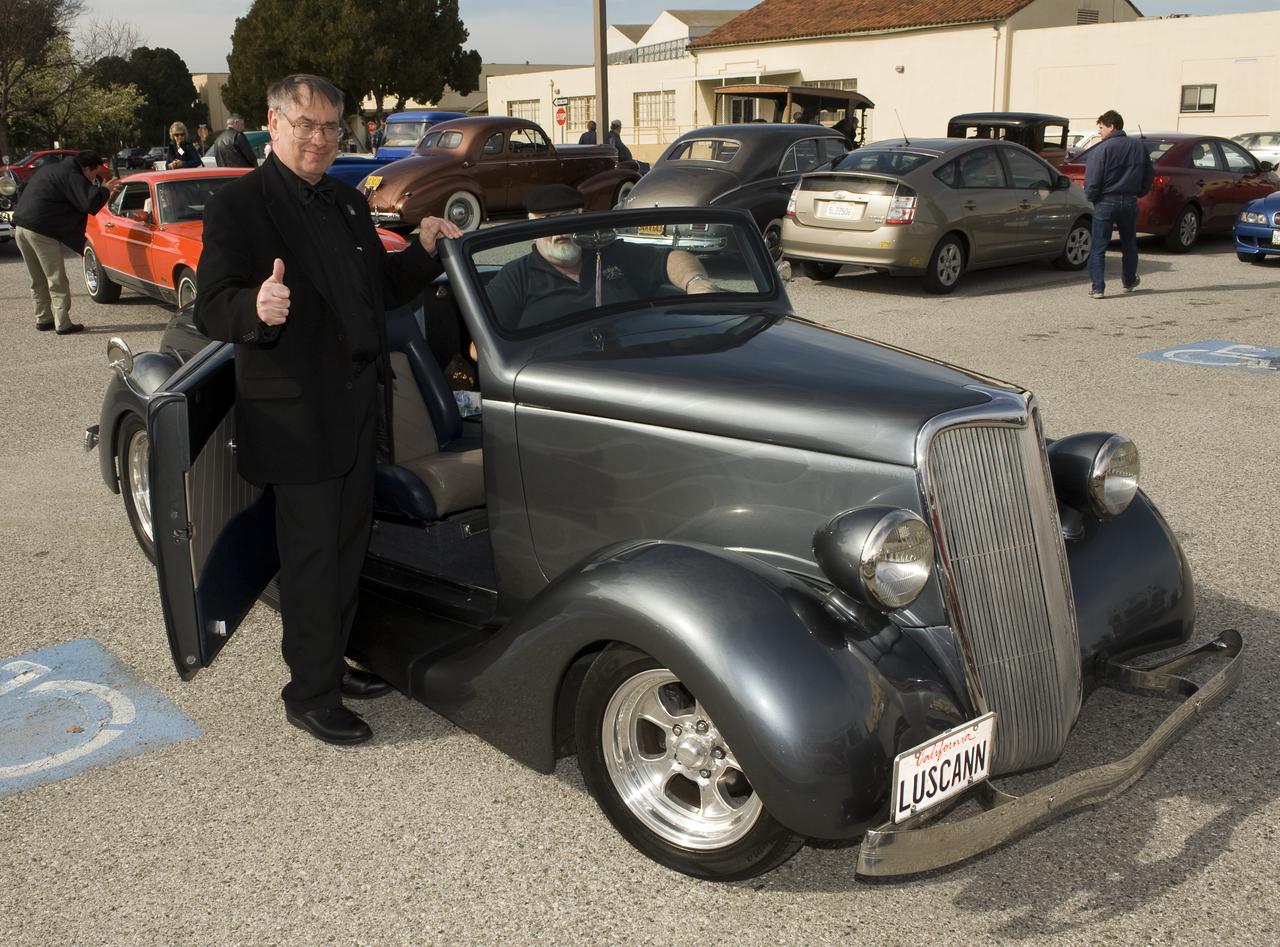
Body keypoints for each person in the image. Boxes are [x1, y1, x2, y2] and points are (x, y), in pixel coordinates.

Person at [194, 74, 463, 746]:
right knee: (313, 559)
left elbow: (382, 290)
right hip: (296, 416)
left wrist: (426, 252)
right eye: (306, 125)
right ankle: (309, 692)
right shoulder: (240, 205)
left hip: (357, 408)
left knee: (348, 550)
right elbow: (211, 305)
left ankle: (331, 661)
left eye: (330, 128)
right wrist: (255, 308)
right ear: (272, 122)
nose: (319, 139)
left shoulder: (346, 202)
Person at [485, 184, 717, 330]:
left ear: (581, 219)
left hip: (630, 366)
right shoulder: (516, 277)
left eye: (567, 218)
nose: (559, 231)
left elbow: (672, 258)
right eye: (547, 221)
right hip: (556, 384)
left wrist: (696, 283)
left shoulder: (611, 253)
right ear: (531, 227)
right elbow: (482, 350)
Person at [12, 150, 120, 335]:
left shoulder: (51, 169)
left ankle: (43, 318)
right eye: (94, 173)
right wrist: (105, 190)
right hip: (42, 231)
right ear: (86, 168)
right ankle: (63, 323)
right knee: (56, 278)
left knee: (37, 278)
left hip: (21, 227)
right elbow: (88, 203)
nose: (94, 177)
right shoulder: (72, 175)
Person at [1084, 109, 1154, 299]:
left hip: (1106, 201)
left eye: (1101, 128)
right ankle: (1129, 281)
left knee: (1099, 246)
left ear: (1111, 126)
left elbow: (1092, 179)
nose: (1099, 132)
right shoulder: (1138, 147)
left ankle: (1098, 287)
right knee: (1129, 243)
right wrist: (1140, 191)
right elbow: (1149, 174)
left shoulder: (1102, 149)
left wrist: (1092, 197)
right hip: (1130, 200)